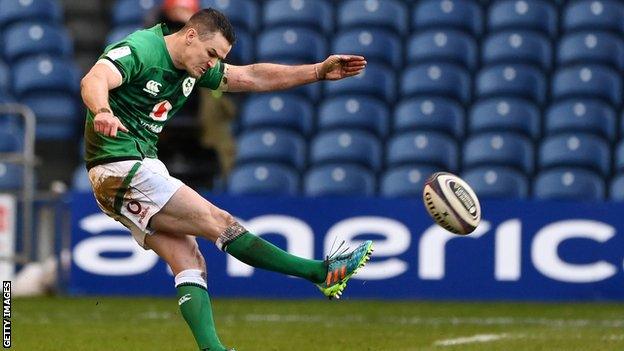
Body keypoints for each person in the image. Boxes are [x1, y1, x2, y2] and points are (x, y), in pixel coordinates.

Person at [80, 8, 373, 351]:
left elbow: (252, 76)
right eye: (212, 54)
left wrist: (317, 72)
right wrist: (102, 111)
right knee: (220, 222)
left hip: (133, 167)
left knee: (190, 260)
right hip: (120, 165)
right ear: (191, 35)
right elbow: (94, 79)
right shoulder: (142, 49)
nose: (212, 63)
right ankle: (320, 273)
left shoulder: (192, 66)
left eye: (218, 57)